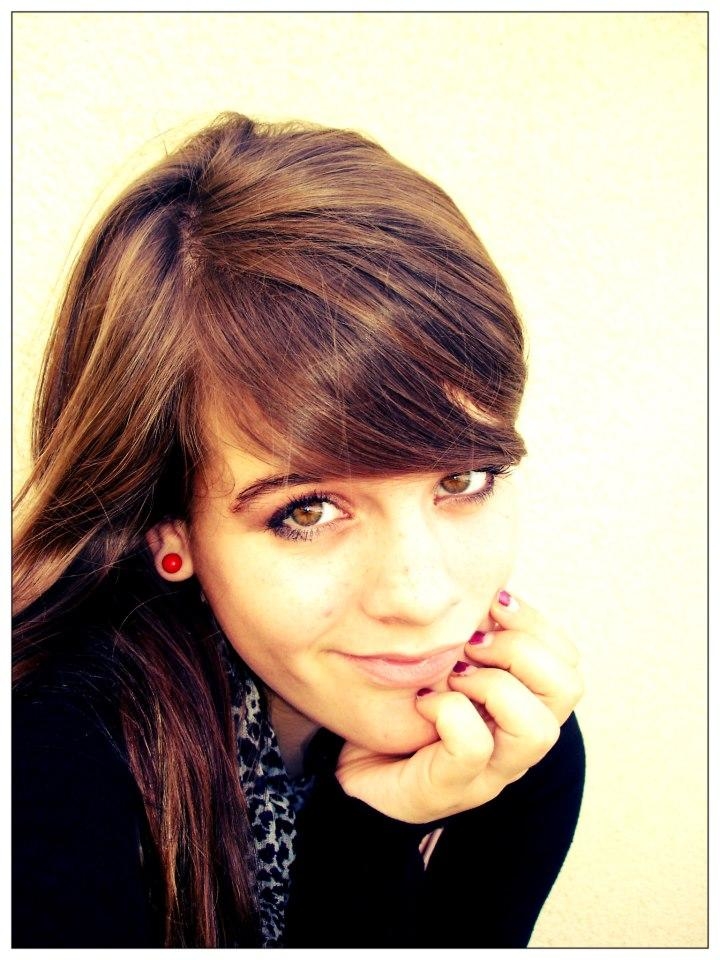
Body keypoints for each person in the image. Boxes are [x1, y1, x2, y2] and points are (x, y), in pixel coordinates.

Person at [12, 112, 585, 948]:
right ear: (169, 531)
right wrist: (368, 845)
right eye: (308, 511)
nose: (422, 598)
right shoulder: (46, 769)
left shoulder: (510, 736)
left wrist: (371, 834)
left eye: (462, 479)